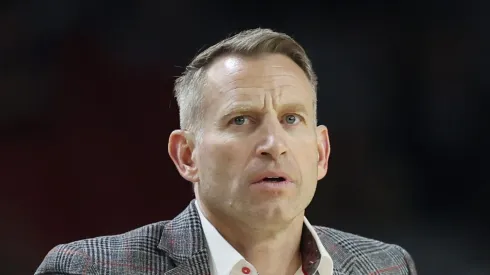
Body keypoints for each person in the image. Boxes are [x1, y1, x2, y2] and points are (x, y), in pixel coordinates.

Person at [35, 28, 417, 275]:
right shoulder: (88, 269)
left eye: (291, 119)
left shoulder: (387, 266)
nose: (273, 145)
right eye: (241, 120)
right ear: (187, 155)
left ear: (321, 151)